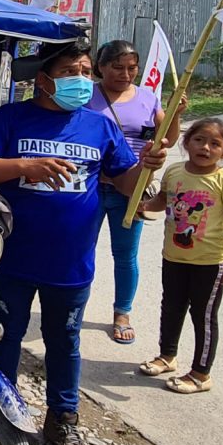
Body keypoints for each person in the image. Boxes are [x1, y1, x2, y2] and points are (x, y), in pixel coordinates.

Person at [0, 41, 169, 445]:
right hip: (13, 257)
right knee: (6, 338)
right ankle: (1, 415)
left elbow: (128, 183)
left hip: (71, 261)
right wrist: (24, 166)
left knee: (66, 343)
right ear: (43, 80)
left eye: (84, 71)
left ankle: (62, 420)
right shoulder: (11, 118)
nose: (81, 79)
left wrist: (148, 164)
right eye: (70, 71)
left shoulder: (100, 126)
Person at [138, 118, 223, 394]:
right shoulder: (174, 172)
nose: (206, 147)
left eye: (215, 144)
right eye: (199, 140)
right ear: (187, 143)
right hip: (173, 257)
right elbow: (162, 200)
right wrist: (145, 206)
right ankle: (167, 356)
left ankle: (201, 373)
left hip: (210, 264)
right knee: (171, 307)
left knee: (204, 316)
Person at [88, 39, 186, 345]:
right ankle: (72, 307)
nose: (125, 74)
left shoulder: (147, 98)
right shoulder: (85, 95)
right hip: (88, 187)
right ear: (100, 66)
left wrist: (174, 113)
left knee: (126, 256)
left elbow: (166, 136)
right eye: (117, 67)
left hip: (131, 191)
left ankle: (122, 313)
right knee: (79, 250)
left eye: (132, 68)